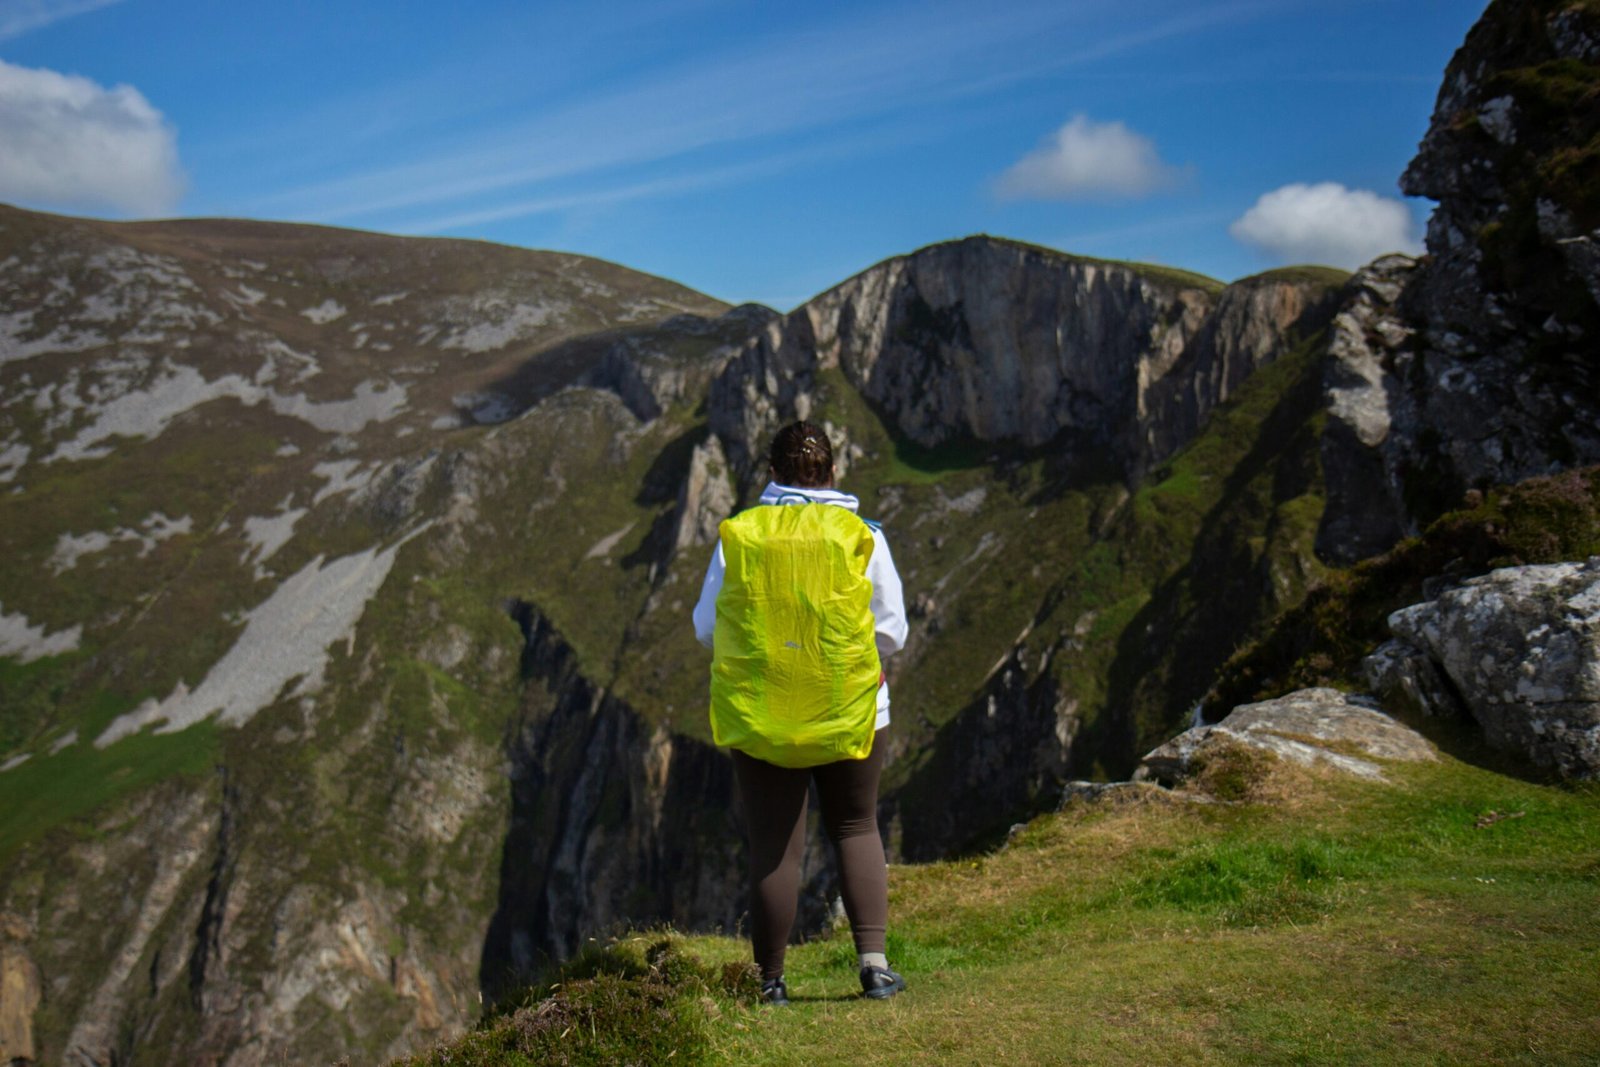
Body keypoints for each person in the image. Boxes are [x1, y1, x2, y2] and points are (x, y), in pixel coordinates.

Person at [692, 420, 909, 1005]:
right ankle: (874, 967)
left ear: (771, 473)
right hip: (852, 708)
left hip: (764, 712)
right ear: (833, 471)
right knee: (856, 825)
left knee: (774, 847)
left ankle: (770, 982)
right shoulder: (860, 534)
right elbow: (891, 631)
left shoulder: (742, 533)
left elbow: (706, 626)